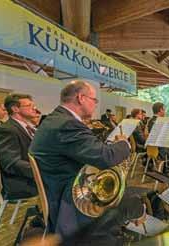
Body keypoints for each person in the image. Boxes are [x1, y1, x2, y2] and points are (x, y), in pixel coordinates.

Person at [29, 81, 145, 240]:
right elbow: (107, 157)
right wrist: (123, 143)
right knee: (135, 200)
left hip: (59, 190)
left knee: (131, 196)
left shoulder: (55, 119)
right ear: (81, 98)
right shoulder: (67, 124)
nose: (96, 105)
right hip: (71, 202)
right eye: (94, 100)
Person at [0, 94, 38, 198]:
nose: (34, 108)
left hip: (33, 179)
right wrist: (40, 170)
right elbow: (11, 163)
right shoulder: (7, 130)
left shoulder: (28, 128)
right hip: (23, 183)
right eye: (29, 105)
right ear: (15, 109)